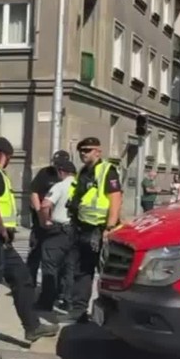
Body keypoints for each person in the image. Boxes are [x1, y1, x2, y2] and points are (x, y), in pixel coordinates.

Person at [0, 137, 59, 359]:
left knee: (23, 279)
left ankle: (32, 327)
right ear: (4, 155)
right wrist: (2, 229)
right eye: (10, 158)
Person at [64, 137, 123, 324]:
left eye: (88, 150)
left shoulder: (107, 170)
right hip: (81, 227)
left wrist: (110, 227)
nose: (83, 153)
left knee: (106, 272)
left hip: (99, 229)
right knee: (82, 270)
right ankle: (79, 310)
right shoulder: (83, 171)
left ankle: (113, 312)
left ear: (98, 151)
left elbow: (115, 199)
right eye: (82, 150)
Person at [36, 160, 78, 312]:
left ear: (61, 172)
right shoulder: (80, 186)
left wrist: (45, 221)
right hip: (76, 232)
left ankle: (46, 301)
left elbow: (45, 205)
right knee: (70, 268)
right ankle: (68, 301)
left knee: (50, 266)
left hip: (59, 231)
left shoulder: (60, 186)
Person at [27, 150, 72, 287]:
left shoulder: (69, 177)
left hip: (58, 224)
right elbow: (34, 192)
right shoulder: (45, 173)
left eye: (60, 166)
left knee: (59, 260)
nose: (57, 168)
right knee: (35, 253)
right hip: (41, 220)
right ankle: (29, 283)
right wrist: (39, 211)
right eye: (55, 164)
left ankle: (58, 290)